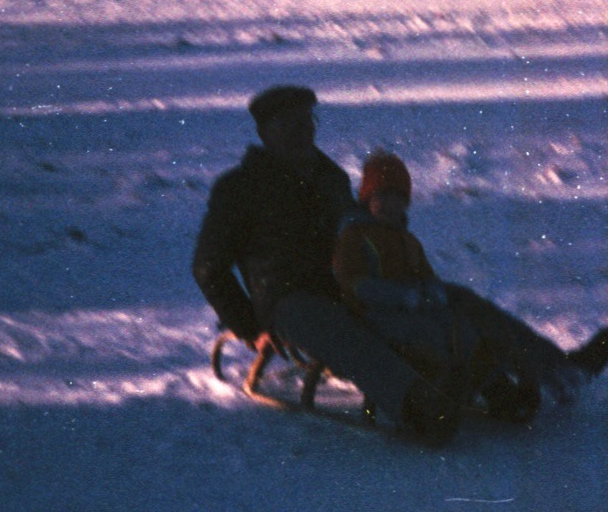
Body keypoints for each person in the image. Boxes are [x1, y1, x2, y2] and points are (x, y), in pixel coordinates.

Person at [191, 85, 461, 444]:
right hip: (287, 298)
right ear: (265, 133)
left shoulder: (330, 177)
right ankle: (415, 401)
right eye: (287, 125)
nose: (301, 133)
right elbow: (208, 265)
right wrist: (250, 327)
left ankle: (493, 373)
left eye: (306, 123)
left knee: (443, 300)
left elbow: (360, 232)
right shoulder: (240, 188)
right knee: (339, 330)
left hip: (346, 283)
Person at [334, 151, 543, 422]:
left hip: (412, 307)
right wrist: (401, 297)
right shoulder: (355, 235)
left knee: (460, 329)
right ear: (367, 200)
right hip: (373, 314)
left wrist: (433, 293)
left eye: (395, 199)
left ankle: (496, 390)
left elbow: (425, 275)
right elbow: (355, 284)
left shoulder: (408, 240)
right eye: (380, 197)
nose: (387, 205)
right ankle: (433, 395)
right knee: (429, 335)